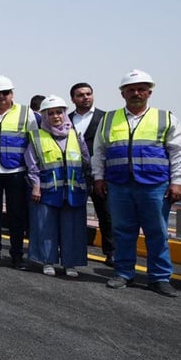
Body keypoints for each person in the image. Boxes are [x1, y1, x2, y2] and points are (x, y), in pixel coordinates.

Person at [93, 69, 181, 297]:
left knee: (157, 231)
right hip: (119, 184)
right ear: (122, 93)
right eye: (131, 89)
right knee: (123, 230)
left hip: (154, 185)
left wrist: (177, 181)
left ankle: (160, 277)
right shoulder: (108, 118)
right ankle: (124, 272)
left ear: (149, 92)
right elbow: (99, 151)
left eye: (141, 89)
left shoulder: (165, 118)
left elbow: (177, 152)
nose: (136, 93)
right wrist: (98, 177)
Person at [25, 96, 90, 278]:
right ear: (44, 116)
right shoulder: (36, 136)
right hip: (46, 190)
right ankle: (48, 261)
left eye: (59, 112)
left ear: (64, 114)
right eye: (51, 113)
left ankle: (70, 264)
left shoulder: (76, 135)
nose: (56, 116)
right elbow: (32, 164)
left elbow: (86, 161)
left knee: (72, 228)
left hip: (72, 190)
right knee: (46, 227)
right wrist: (36, 186)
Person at [0, 74, 36, 269]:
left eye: (5, 92)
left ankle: (17, 255)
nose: (2, 96)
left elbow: (35, 144)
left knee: (16, 215)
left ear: (12, 93)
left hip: (17, 172)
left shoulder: (26, 113)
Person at [69, 82, 113, 265]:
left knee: (105, 214)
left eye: (88, 94)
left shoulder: (106, 118)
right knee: (73, 213)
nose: (85, 97)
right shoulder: (65, 118)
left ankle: (111, 252)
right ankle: (72, 249)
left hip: (99, 174)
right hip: (73, 174)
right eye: (80, 95)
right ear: (73, 99)